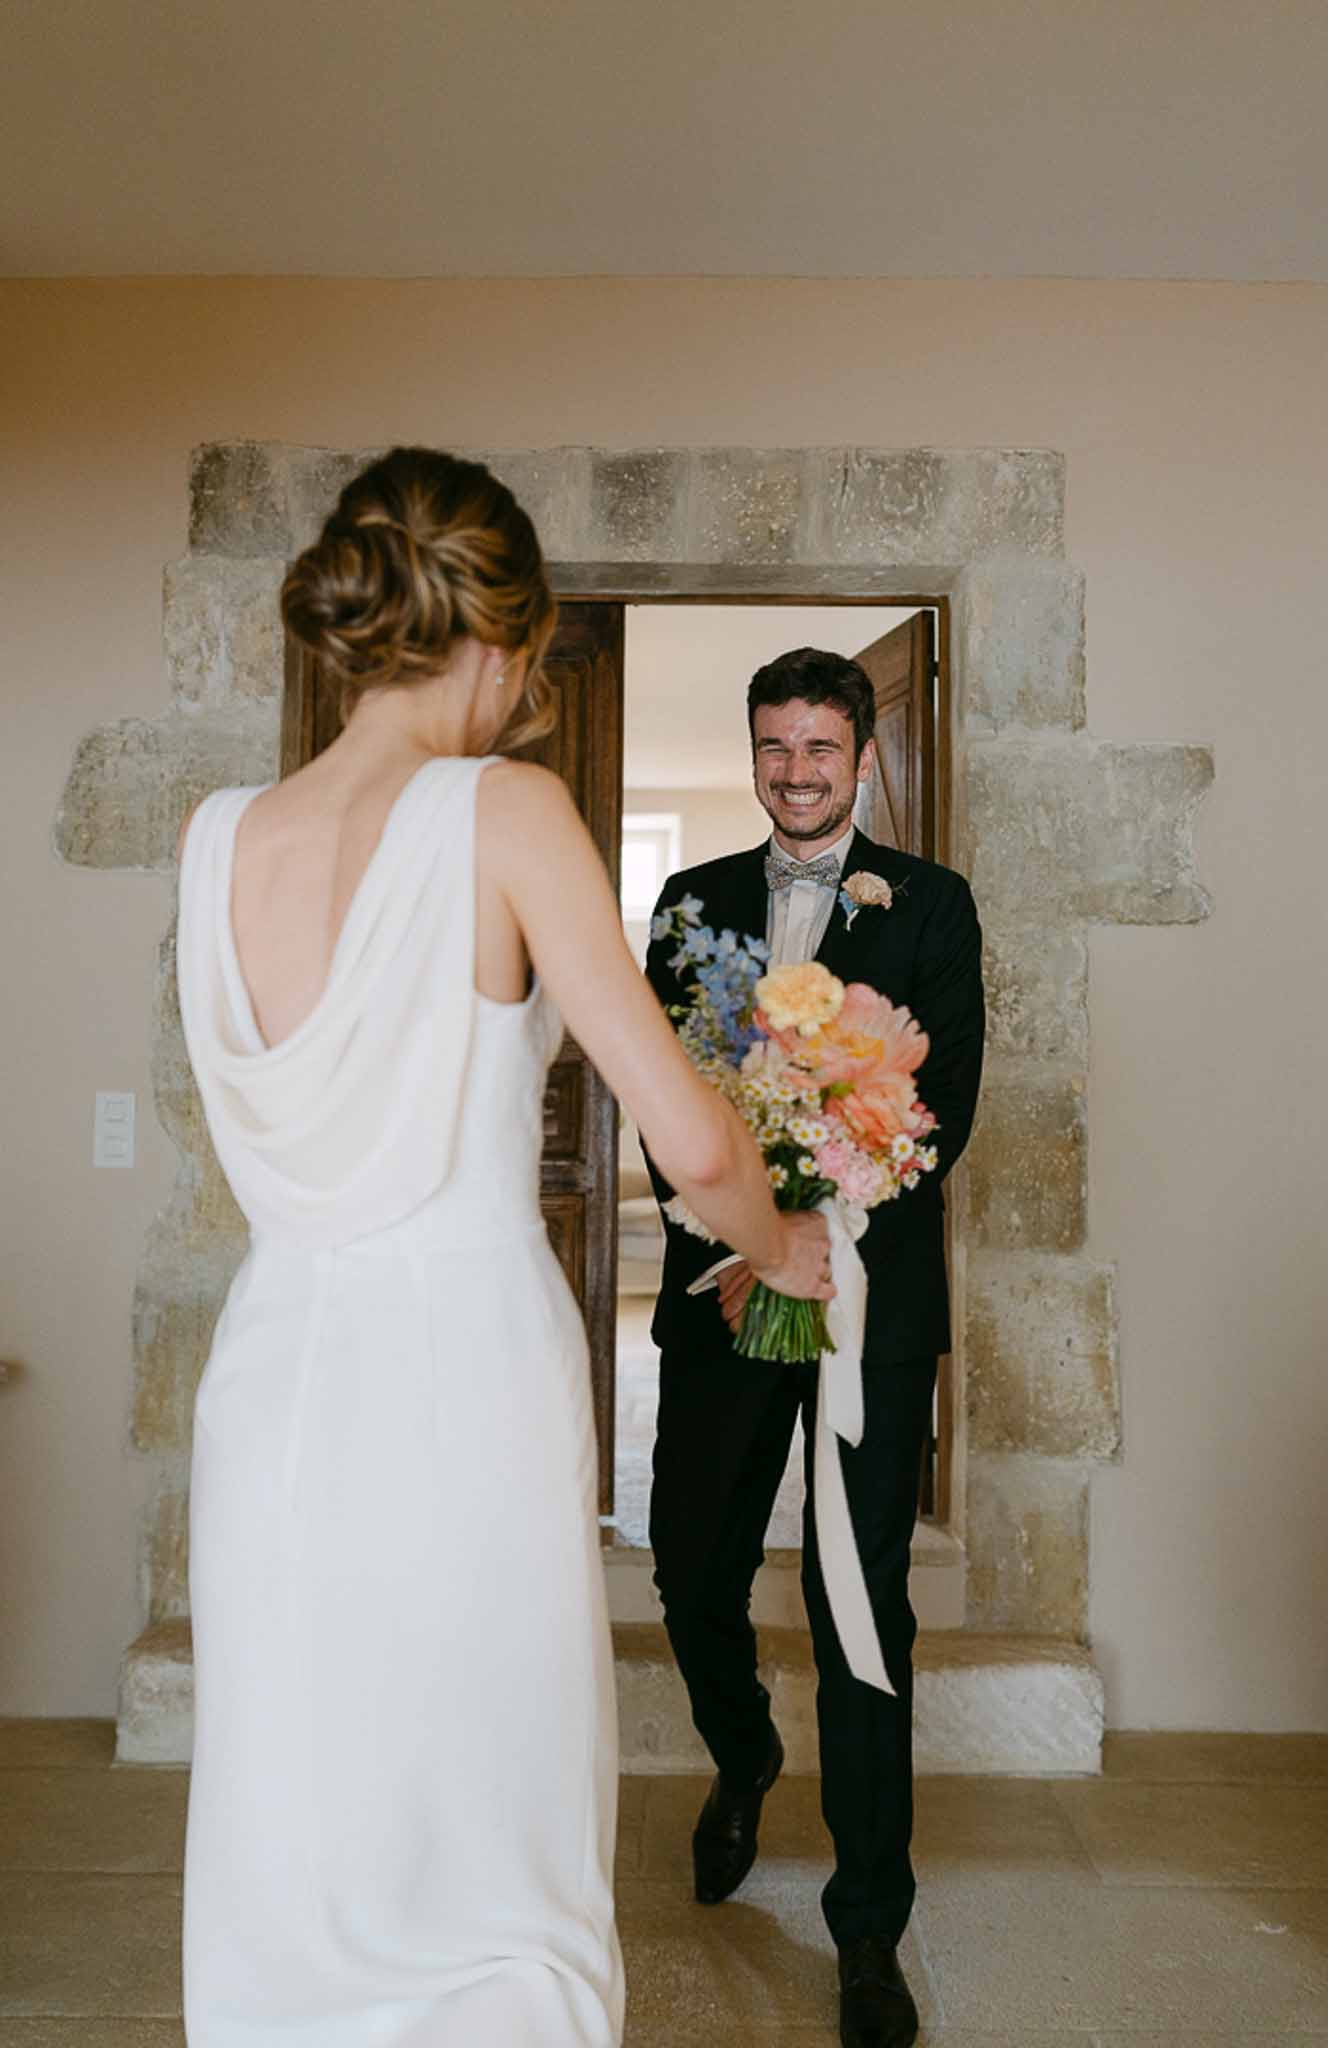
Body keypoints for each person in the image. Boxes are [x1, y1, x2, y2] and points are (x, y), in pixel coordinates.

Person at [174, 447, 833, 2047]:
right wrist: (788, 1243)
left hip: (272, 1379)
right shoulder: (506, 808)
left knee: (295, 1794)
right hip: (459, 1362)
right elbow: (687, 1138)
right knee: (483, 1797)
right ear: (502, 634)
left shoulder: (214, 838)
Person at [644, 647, 985, 2048]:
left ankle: (865, 1933)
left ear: (858, 758)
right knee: (687, 1564)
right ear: (755, 754)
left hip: (866, 1308)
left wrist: (820, 1196)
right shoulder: (690, 904)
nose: (796, 772)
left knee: (860, 1607)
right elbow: (663, 1086)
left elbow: (941, 1105)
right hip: (724, 1292)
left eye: (819, 749)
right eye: (774, 748)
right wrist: (745, 1224)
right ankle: (740, 1756)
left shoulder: (931, 905)